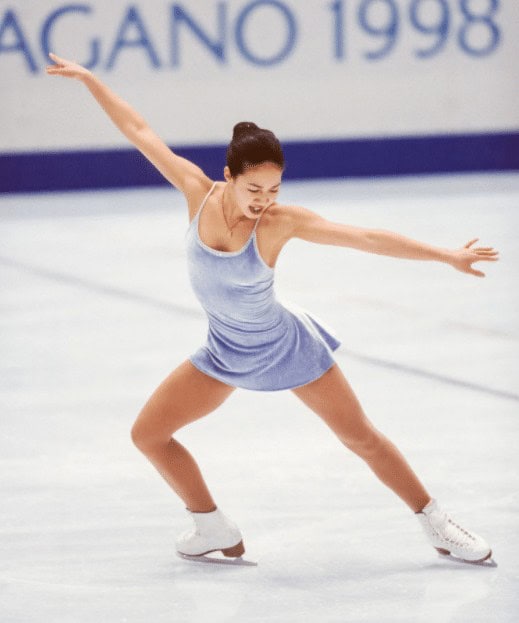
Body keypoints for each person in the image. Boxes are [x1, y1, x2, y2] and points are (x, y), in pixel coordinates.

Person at [46, 52, 499, 564]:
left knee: (361, 438)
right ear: (228, 177)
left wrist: (445, 254)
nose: (264, 199)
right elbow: (139, 129)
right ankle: (211, 525)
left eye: (274, 188)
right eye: (253, 188)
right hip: (224, 352)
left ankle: (438, 524)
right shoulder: (197, 194)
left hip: (288, 348)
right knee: (148, 434)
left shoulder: (281, 222)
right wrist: (89, 81)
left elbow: (367, 238)